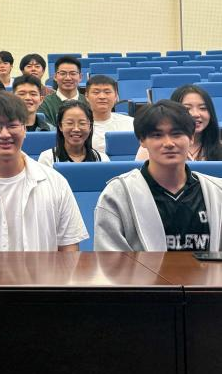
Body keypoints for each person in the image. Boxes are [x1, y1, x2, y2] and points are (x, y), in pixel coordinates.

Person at [0, 92, 88, 251]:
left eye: (12, 125)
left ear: (24, 128)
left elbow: (69, 252)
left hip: (45, 269)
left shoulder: (56, 183)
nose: (4, 134)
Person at [96, 100, 222, 251]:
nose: (168, 143)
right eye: (157, 135)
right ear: (142, 141)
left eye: (176, 134)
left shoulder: (217, 191)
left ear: (191, 138)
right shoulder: (118, 194)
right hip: (141, 268)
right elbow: (109, 259)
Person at [136, 85, 222, 161]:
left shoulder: (220, 148)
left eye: (203, 108)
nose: (195, 114)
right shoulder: (150, 148)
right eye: (187, 108)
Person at [38, 100, 109, 166]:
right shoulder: (47, 159)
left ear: (90, 127)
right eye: (70, 123)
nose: (76, 129)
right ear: (60, 126)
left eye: (82, 123)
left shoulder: (102, 159)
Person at [85, 75, 134, 153]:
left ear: (116, 96)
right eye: (96, 92)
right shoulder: (79, 126)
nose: (102, 97)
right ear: (86, 96)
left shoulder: (131, 123)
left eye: (107, 92)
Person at [38, 56, 87, 126]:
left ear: (80, 77)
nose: (68, 78)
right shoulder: (44, 104)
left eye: (73, 73)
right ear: (55, 76)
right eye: (63, 73)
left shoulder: (88, 102)